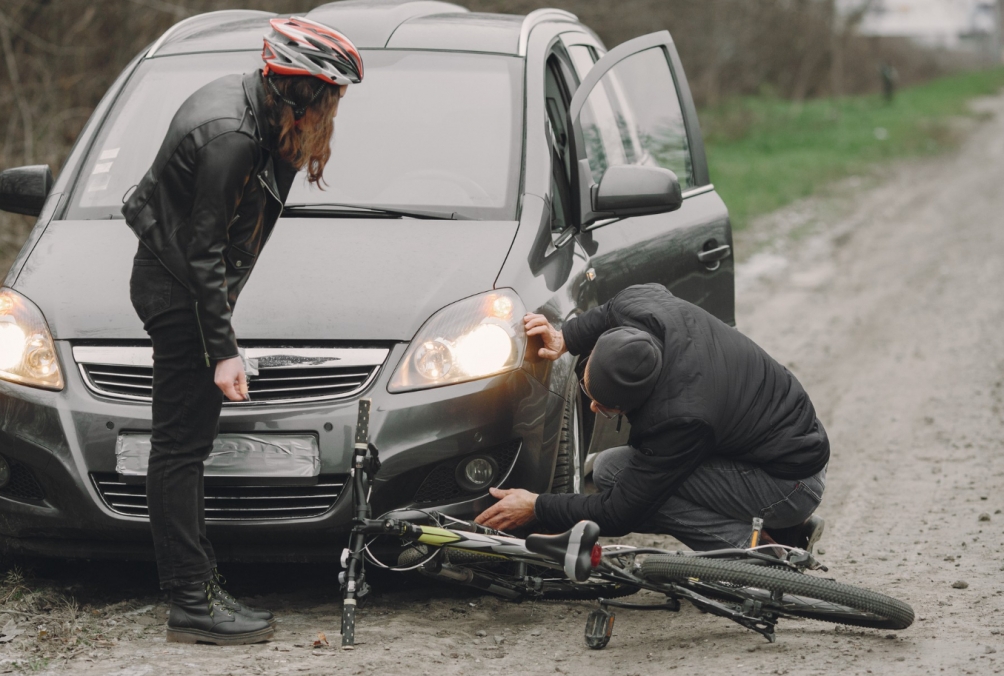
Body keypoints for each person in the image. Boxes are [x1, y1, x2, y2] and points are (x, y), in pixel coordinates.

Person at [122, 17, 363, 645]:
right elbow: (203, 251)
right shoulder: (230, 134)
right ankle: (190, 604)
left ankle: (199, 582)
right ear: (298, 90)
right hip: (180, 291)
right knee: (179, 449)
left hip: (185, 283)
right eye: (330, 96)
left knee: (187, 448)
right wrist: (223, 351)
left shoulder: (257, 110)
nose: (334, 110)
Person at [475, 284, 828, 554]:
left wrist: (537, 506)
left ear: (641, 399)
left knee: (637, 486)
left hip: (791, 484)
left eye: (606, 407)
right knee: (611, 467)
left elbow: (621, 513)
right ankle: (786, 533)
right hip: (770, 445)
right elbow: (610, 312)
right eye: (588, 394)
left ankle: (759, 556)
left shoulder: (680, 419)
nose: (594, 409)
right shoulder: (643, 307)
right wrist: (564, 337)